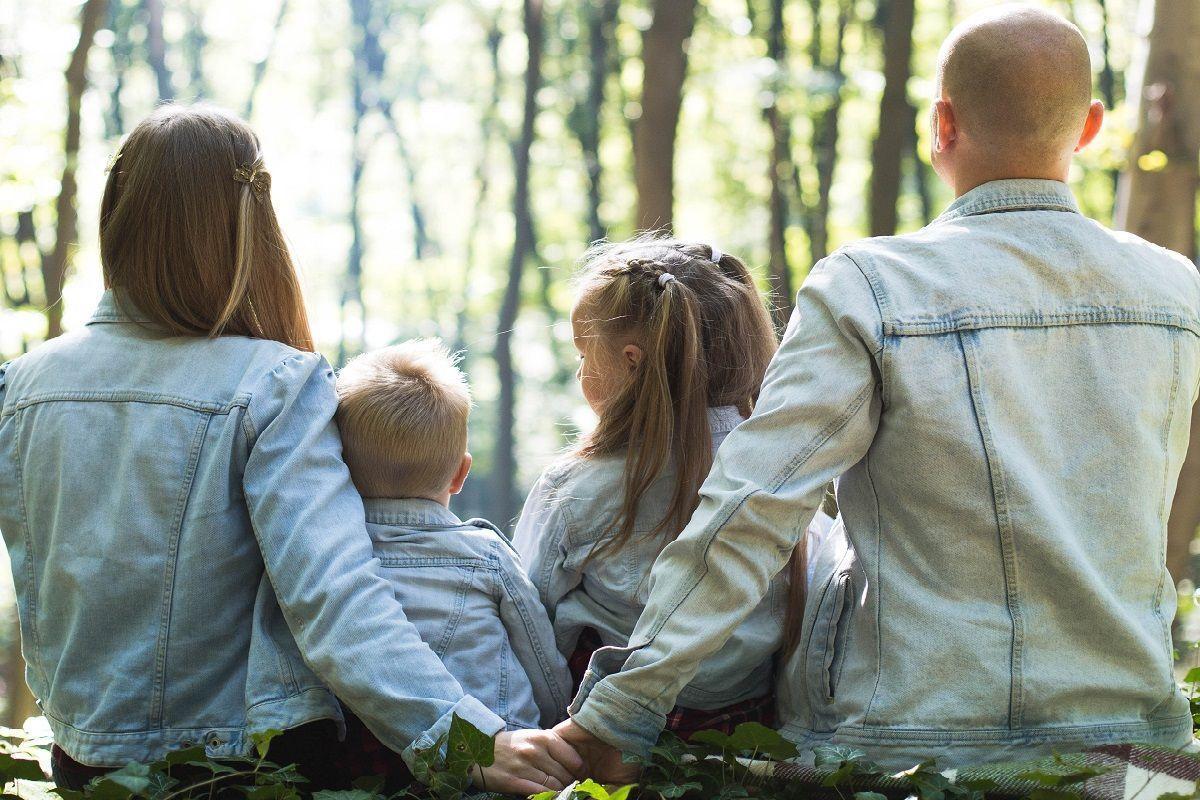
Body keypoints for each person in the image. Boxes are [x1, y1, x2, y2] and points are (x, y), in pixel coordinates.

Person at [553, 5, 1200, 775]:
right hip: (1131, 750)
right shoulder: (1174, 292)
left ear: (941, 124)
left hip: (905, 744)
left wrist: (621, 711)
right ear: (1090, 127)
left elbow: (751, 508)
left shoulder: (871, 288)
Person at [0, 104, 580, 795]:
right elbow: (335, 600)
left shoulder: (24, 382)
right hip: (230, 772)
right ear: (249, 225)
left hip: (81, 764)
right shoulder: (273, 383)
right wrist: (467, 742)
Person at [514, 237, 836, 739]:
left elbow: (528, 615)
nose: (580, 373)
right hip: (746, 735)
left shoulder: (579, 487)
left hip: (601, 737)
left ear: (632, 361)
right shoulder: (788, 481)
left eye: (584, 355)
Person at [329, 339, 571, 786]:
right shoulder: (486, 555)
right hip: (502, 763)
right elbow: (542, 664)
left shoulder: (331, 561)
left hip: (374, 772)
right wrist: (556, 722)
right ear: (461, 474)